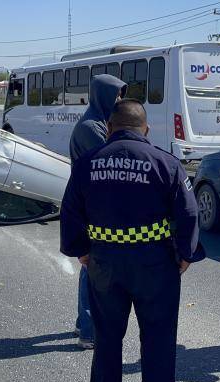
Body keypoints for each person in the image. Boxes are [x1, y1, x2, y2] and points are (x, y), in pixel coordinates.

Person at [60, 99, 204, 382]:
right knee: (158, 335)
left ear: (109, 128)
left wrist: (81, 250)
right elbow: (189, 212)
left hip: (104, 264)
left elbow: (70, 212)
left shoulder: (87, 164)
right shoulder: (165, 163)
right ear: (146, 129)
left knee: (107, 335)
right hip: (155, 264)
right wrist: (185, 253)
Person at [68, 74, 127, 349]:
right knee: (91, 266)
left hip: (95, 202)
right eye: (116, 95)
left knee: (93, 265)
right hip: (91, 205)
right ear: (104, 95)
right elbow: (110, 159)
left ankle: (84, 323)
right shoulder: (92, 127)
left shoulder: (99, 122)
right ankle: (88, 331)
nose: (120, 100)